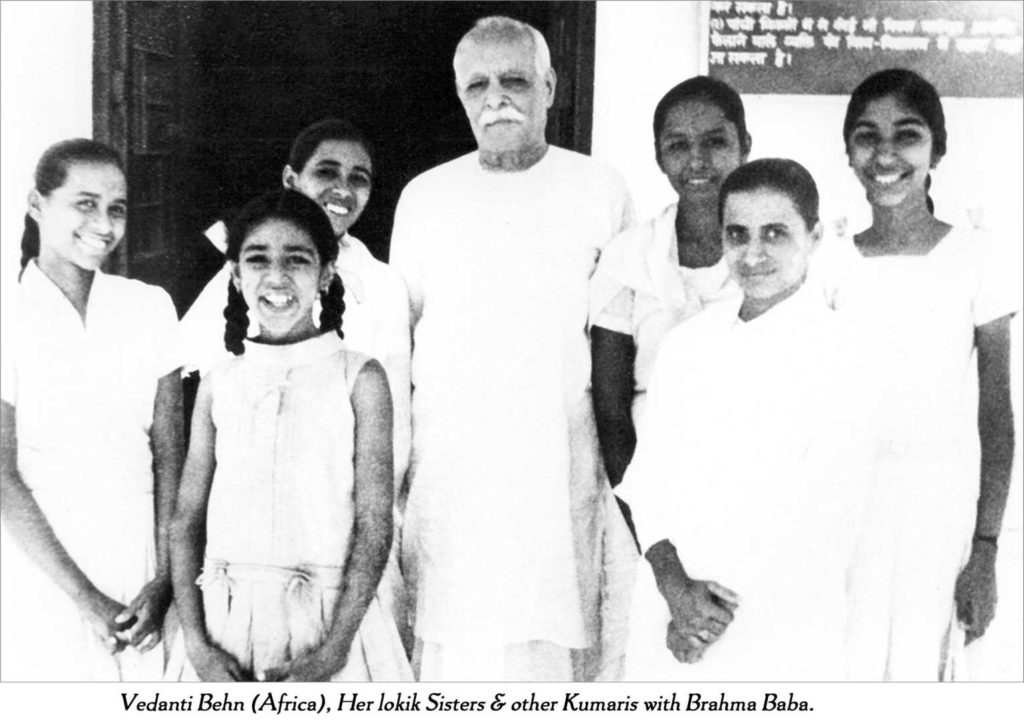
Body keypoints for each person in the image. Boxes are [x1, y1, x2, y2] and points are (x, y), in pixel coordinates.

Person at [389, 16, 634, 681]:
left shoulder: (600, 190)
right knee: (450, 654)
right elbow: (397, 348)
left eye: (515, 80)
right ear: (460, 94)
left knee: (555, 654)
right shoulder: (424, 199)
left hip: (555, 472)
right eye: (479, 85)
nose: (496, 97)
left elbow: (619, 342)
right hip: (450, 477)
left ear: (550, 87)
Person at [622, 158, 874, 681]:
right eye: (738, 234)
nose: (753, 254)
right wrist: (674, 591)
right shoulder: (688, 345)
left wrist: (706, 619)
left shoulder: (842, 353)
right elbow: (647, 485)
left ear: (815, 236)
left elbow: (825, 516)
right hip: (672, 612)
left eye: (775, 234)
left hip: (773, 626)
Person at [178, 119, 412, 646]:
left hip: (341, 533)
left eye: (360, 178)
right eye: (326, 172)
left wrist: (383, 526)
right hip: (245, 554)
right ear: (291, 178)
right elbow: (202, 396)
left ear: (324, 276)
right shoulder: (250, 271)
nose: (342, 189)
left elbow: (396, 413)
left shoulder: (386, 286)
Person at [831, 69, 1019, 681]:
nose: (884, 155)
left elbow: (997, 415)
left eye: (906, 136)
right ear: (848, 150)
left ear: (938, 148)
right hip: (844, 508)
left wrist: (985, 550)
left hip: (940, 514)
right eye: (867, 136)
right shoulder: (827, 261)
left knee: (925, 674)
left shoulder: (977, 255)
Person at [0, 139, 182, 680]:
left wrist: (166, 579)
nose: (103, 224)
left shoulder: (148, 307)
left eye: (117, 208)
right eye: (85, 203)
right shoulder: (8, 316)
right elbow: (2, 476)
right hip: (44, 570)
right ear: (37, 204)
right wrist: (84, 598)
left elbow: (170, 455)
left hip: (140, 566)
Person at [590, 77, 748, 494]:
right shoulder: (628, 258)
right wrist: (649, 533)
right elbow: (611, 415)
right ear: (659, 157)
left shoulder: (776, 251)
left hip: (758, 492)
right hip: (654, 493)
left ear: (745, 145)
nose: (697, 161)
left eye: (716, 141)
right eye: (678, 145)